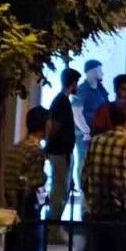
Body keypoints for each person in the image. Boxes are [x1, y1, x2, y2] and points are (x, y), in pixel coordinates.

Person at [82, 102, 126, 251]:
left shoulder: (95, 141)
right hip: (123, 214)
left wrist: (91, 203)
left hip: (99, 211)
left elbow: (85, 176)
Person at [5, 106, 50, 251]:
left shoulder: (16, 147)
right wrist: (45, 178)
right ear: (44, 125)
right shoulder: (36, 151)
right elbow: (36, 181)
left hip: (12, 209)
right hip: (28, 209)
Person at [46, 68, 81, 228]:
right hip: (60, 152)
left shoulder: (61, 101)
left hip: (61, 152)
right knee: (59, 191)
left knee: (60, 189)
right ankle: (53, 227)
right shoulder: (62, 102)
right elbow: (54, 127)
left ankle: (53, 226)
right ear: (73, 83)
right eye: (76, 83)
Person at [76, 60, 110, 186]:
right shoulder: (82, 90)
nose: (102, 73)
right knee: (84, 161)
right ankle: (83, 188)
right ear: (91, 71)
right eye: (99, 70)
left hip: (99, 134)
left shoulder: (101, 89)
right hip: (86, 135)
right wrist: (86, 131)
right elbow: (76, 113)